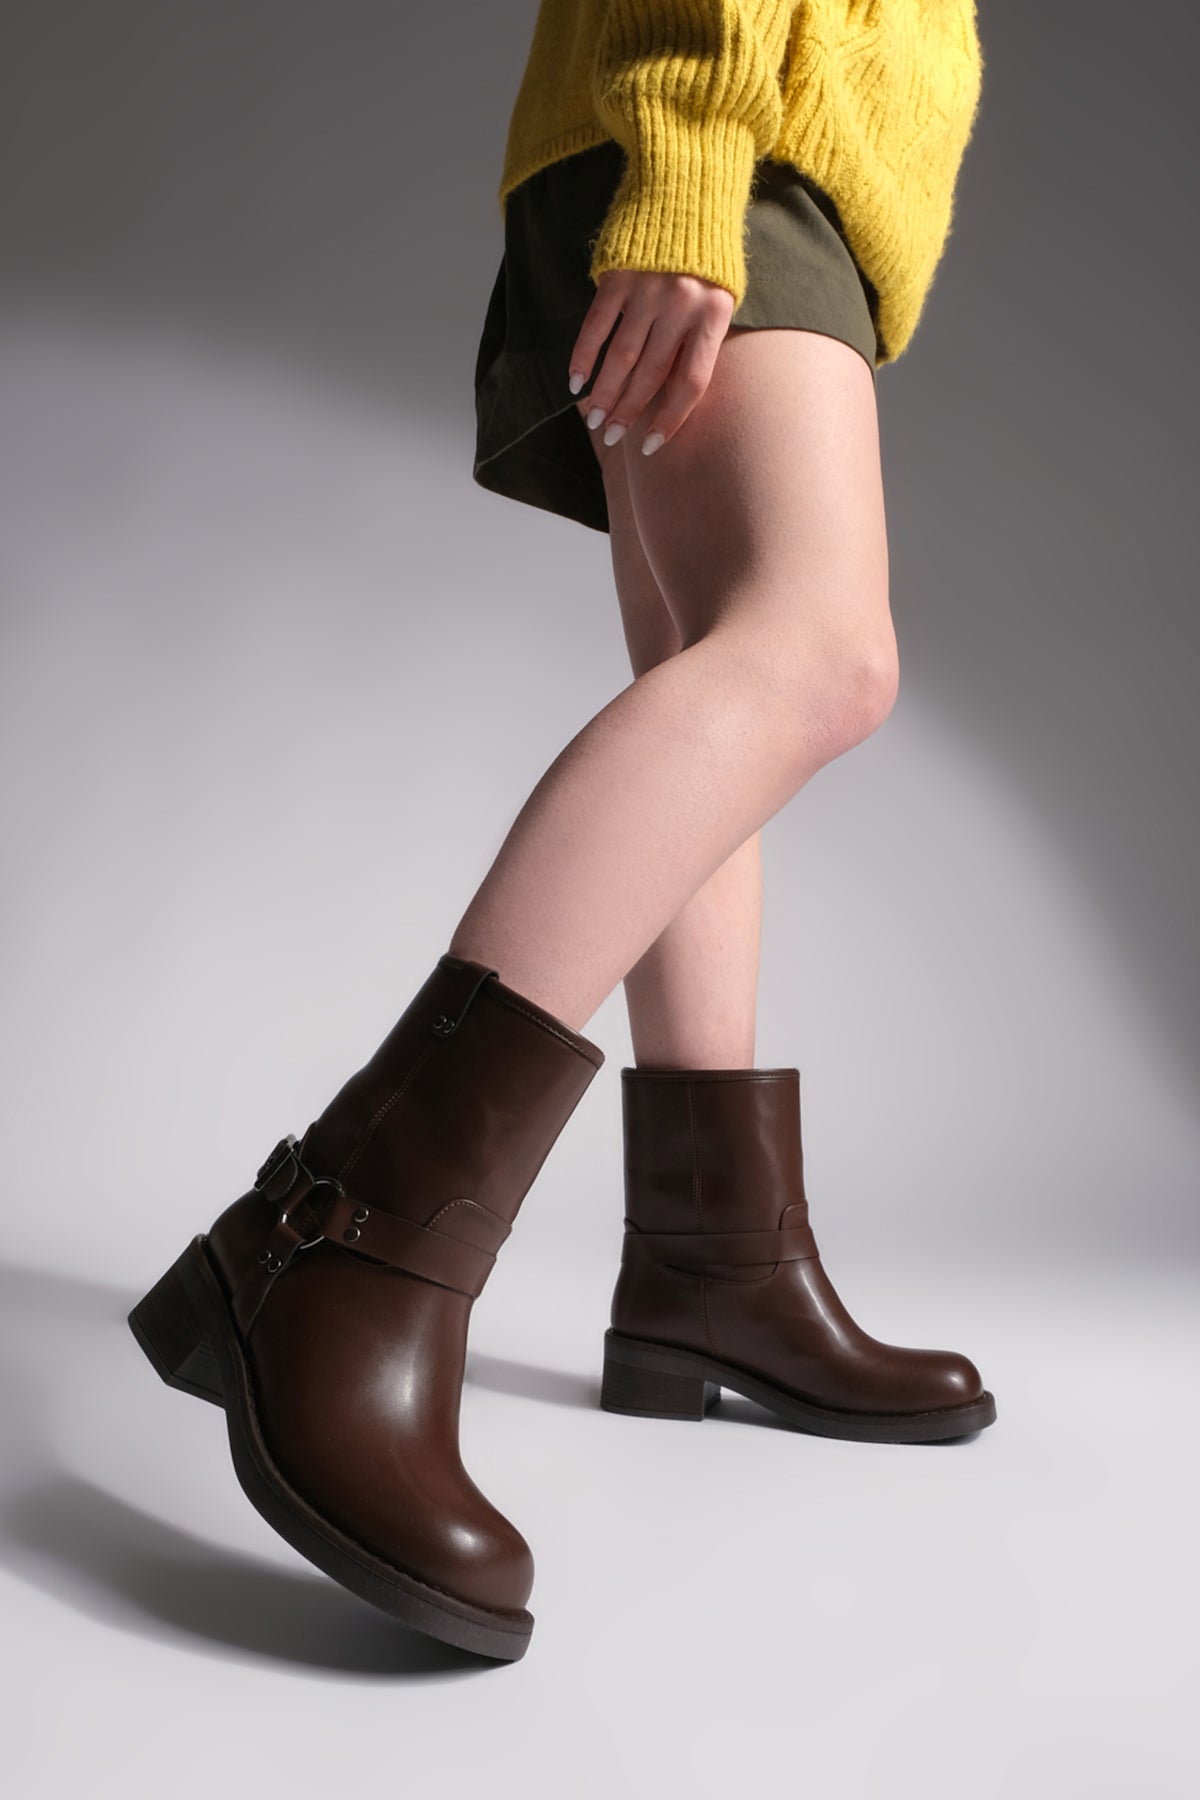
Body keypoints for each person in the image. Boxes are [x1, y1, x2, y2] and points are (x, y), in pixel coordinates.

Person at [128, 0, 994, 1665]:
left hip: (756, 133)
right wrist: (690, 158)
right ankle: (341, 1244)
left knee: (708, 677)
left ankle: (716, 1264)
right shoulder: (707, 140)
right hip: (729, 121)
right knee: (817, 653)